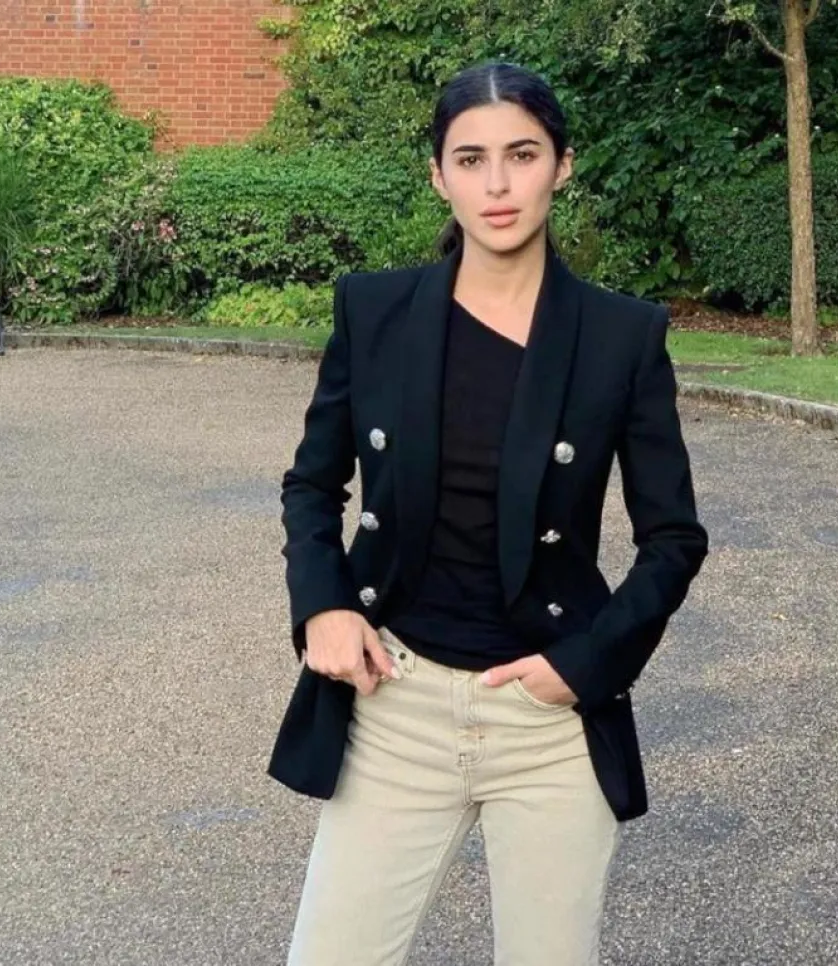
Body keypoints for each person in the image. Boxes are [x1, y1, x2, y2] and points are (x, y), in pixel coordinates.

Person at [269, 60, 709, 966]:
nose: (497, 185)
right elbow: (312, 485)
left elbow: (672, 539)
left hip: (547, 723)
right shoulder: (374, 311)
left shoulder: (621, 336)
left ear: (562, 165)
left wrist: (584, 664)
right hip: (394, 703)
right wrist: (324, 604)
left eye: (523, 154)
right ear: (439, 175)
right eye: (470, 160)